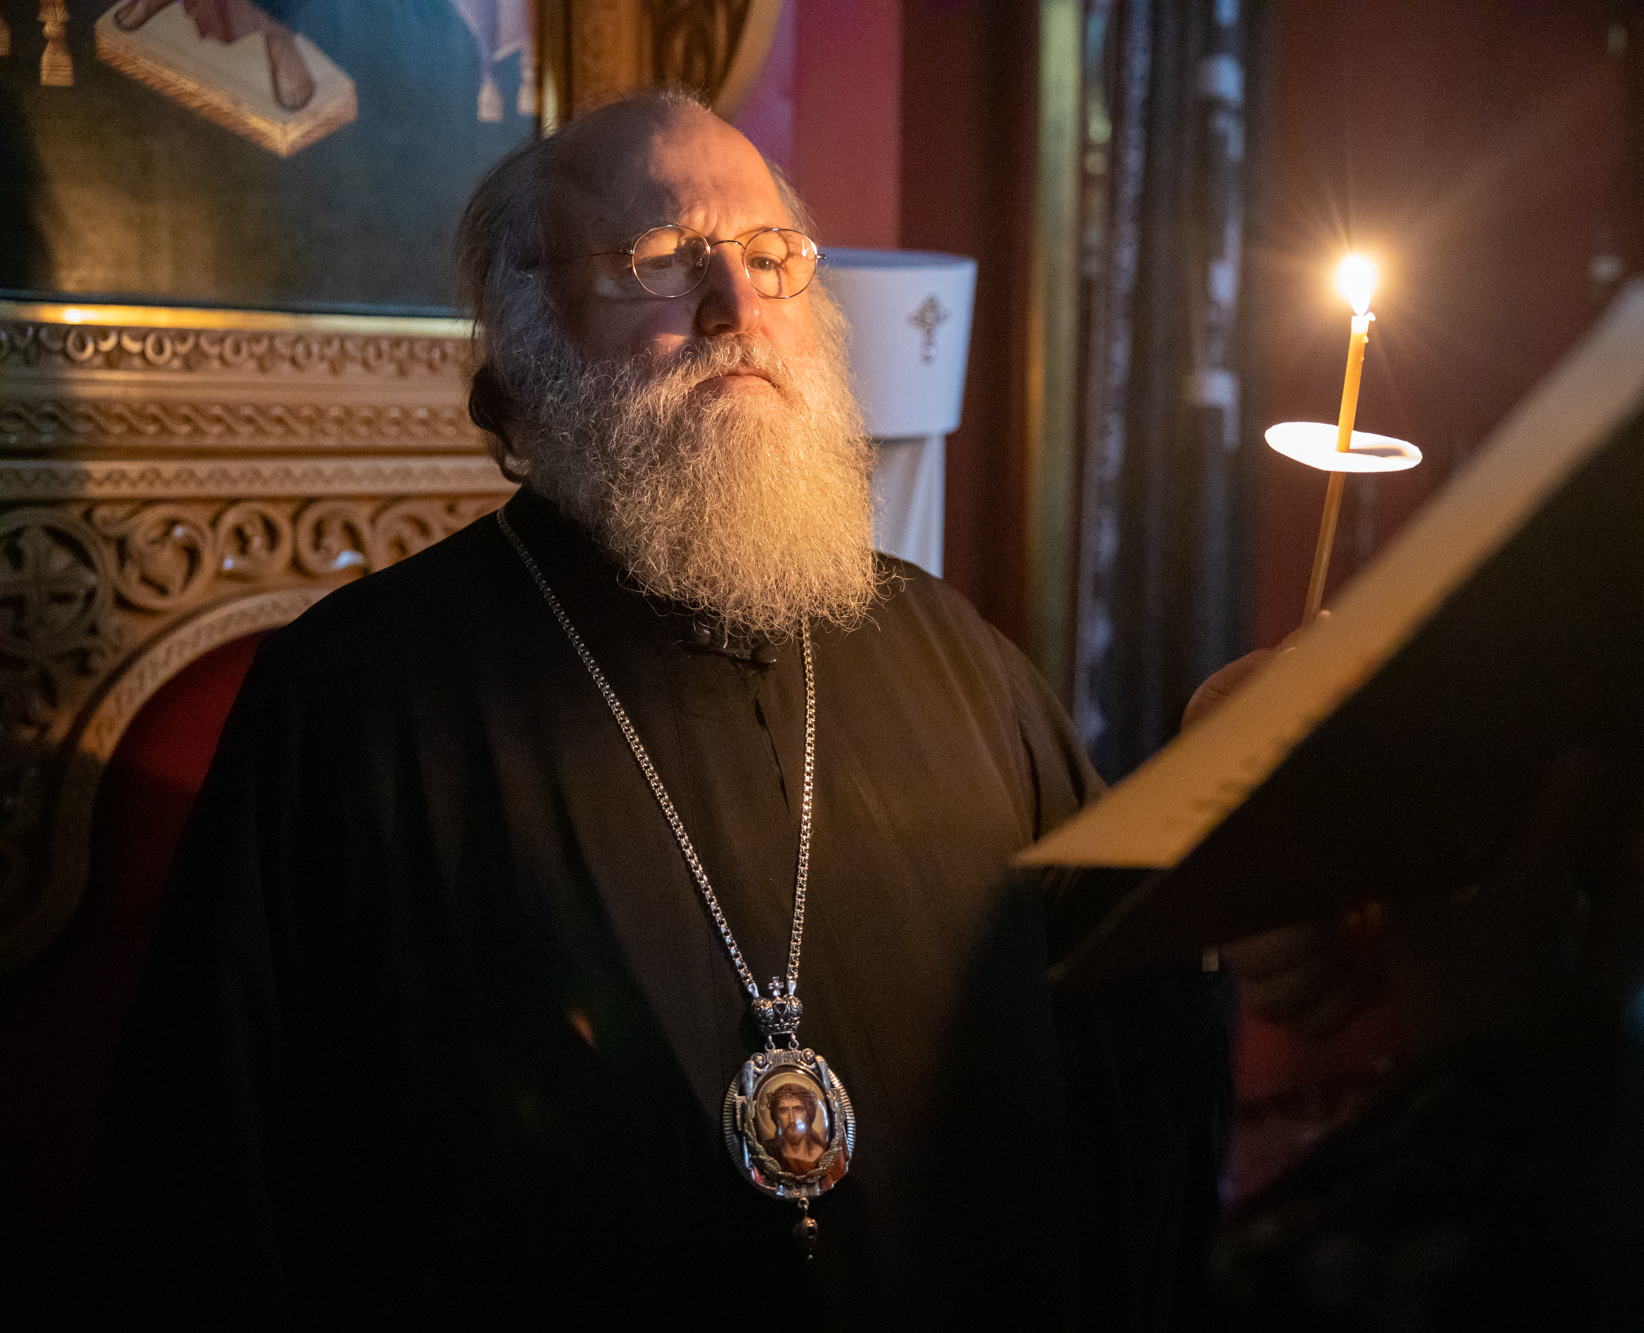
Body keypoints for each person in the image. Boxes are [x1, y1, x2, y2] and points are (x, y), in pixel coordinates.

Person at [95, 90, 1224, 1329]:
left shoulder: (955, 657)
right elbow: (215, 1182)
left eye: (769, 258)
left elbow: (1131, 1044)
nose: (735, 307)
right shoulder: (355, 703)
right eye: (658, 261)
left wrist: (1245, 828)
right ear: (527, 353)